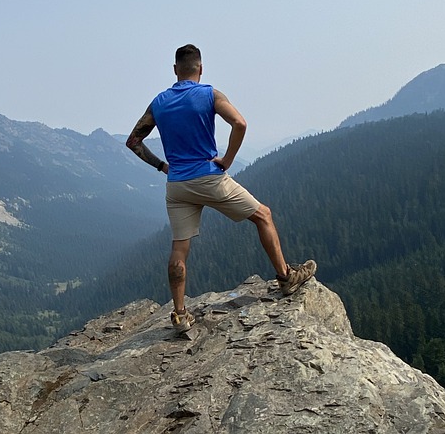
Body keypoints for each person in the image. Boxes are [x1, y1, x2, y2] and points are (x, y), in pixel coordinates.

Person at [126, 44, 316, 333]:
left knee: (179, 247)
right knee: (263, 215)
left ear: (176, 70)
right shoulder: (210, 94)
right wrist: (227, 160)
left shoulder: (159, 102)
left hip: (177, 184)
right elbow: (239, 123)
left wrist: (162, 166)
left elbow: (134, 141)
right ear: (200, 68)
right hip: (209, 177)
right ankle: (286, 277)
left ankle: (179, 315)